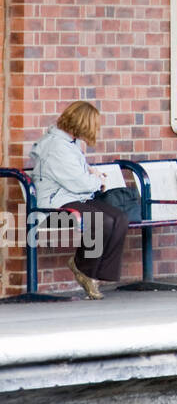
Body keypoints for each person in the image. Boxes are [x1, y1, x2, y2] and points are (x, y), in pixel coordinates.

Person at [30, 101, 129, 300]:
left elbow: (77, 177)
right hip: (52, 206)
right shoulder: (57, 146)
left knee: (119, 217)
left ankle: (97, 272)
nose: (96, 129)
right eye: (93, 124)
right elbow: (78, 183)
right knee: (102, 220)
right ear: (83, 124)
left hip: (71, 199)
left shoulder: (68, 142)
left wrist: (90, 174)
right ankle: (86, 270)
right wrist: (97, 180)